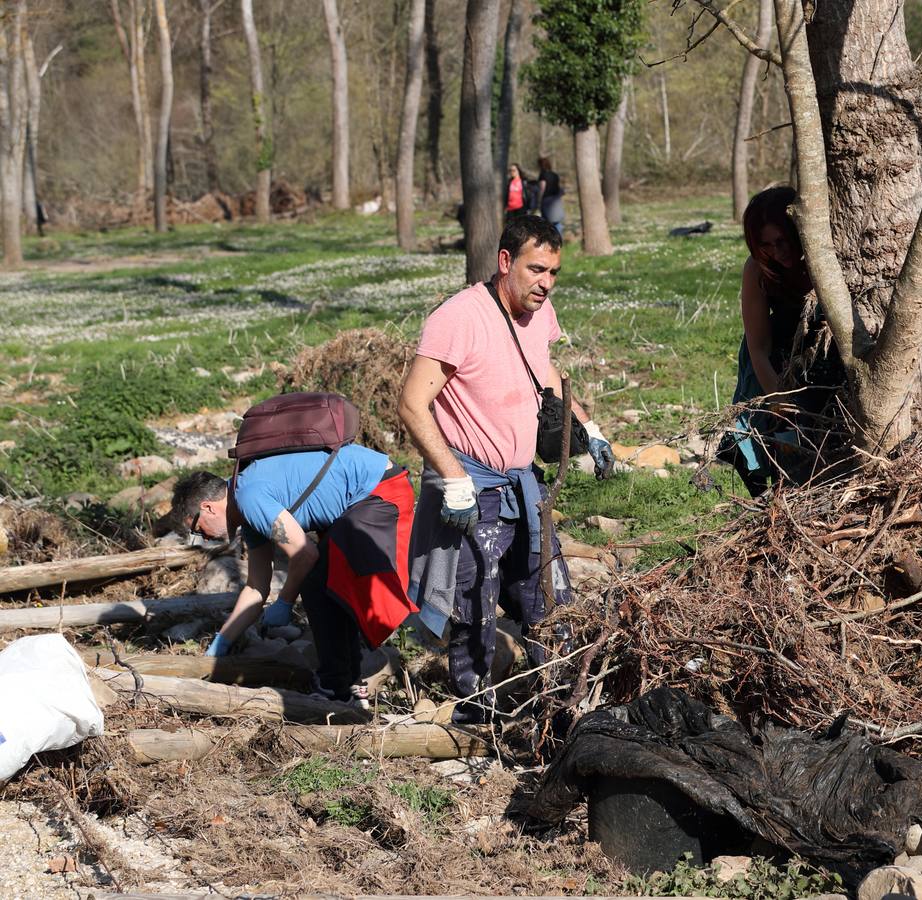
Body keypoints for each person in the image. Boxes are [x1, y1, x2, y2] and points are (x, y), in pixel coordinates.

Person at [398, 214, 616, 723]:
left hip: (524, 484)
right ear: (504, 262)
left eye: (554, 272)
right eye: (537, 269)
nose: (546, 282)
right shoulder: (459, 318)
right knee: (474, 606)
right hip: (471, 486)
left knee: (550, 598)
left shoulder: (539, 312)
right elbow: (411, 403)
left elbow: (544, 372)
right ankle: (479, 724)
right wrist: (452, 479)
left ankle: (564, 710)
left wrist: (590, 427)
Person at [167, 448, 415, 706]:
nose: (204, 537)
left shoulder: (249, 497)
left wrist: (285, 601)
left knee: (315, 583)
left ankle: (336, 687)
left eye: (198, 529)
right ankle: (347, 683)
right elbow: (255, 588)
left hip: (380, 489)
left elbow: (305, 555)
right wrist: (223, 641)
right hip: (365, 495)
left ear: (207, 507)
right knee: (325, 580)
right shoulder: (248, 514)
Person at [720, 186, 838, 496]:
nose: (778, 251)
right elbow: (758, 346)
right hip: (774, 360)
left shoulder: (825, 257)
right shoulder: (757, 269)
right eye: (767, 245)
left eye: (783, 240)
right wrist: (778, 397)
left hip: (823, 353)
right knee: (776, 441)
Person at [534, 156, 564, 236]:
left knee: (547, 224)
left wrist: (538, 201)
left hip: (547, 202)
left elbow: (542, 188)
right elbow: (559, 189)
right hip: (556, 201)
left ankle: (550, 242)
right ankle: (559, 242)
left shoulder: (543, 175)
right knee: (557, 223)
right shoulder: (555, 175)